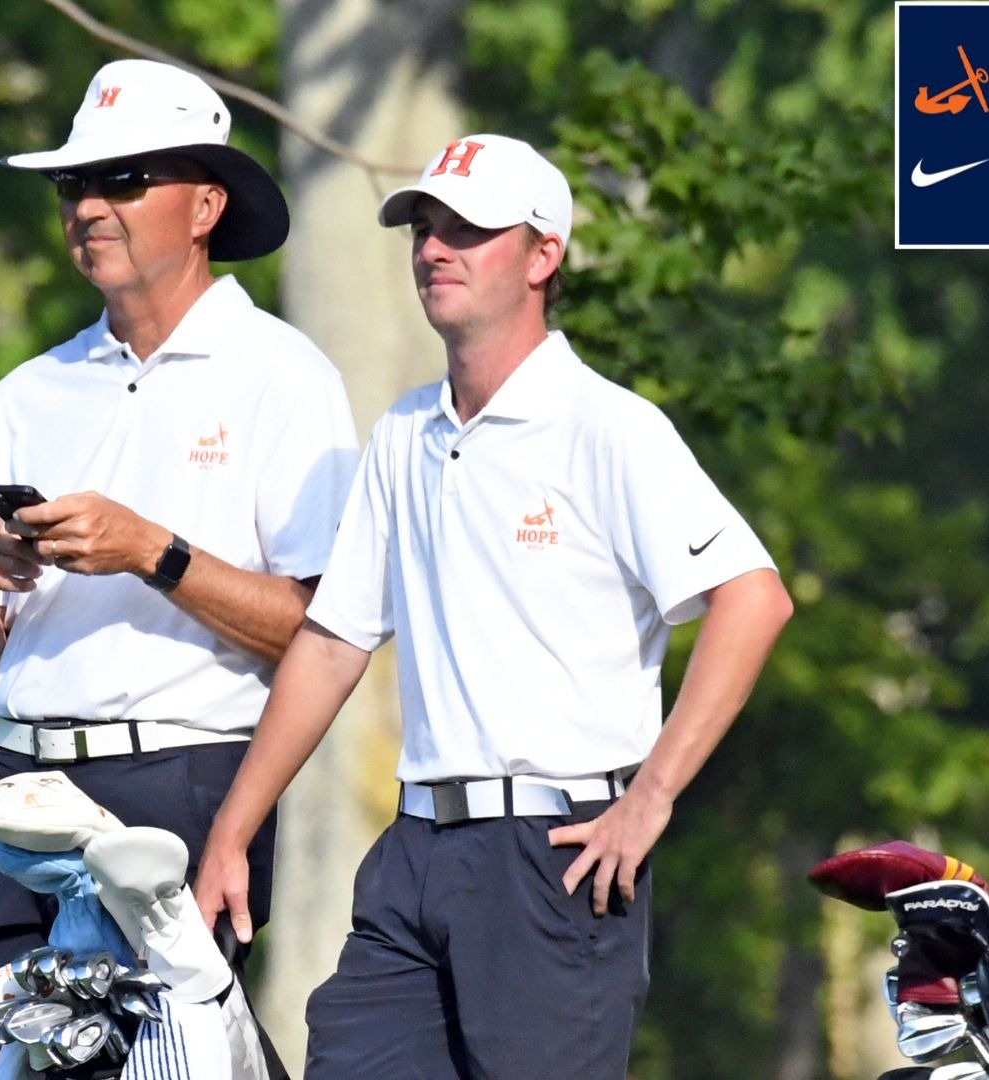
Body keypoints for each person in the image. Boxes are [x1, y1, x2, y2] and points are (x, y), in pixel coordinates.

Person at [194, 133, 794, 1078]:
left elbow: (754, 599)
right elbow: (332, 642)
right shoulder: (402, 431)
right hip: (415, 852)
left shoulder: (608, 426)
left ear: (543, 254)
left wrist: (650, 798)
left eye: (467, 230)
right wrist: (232, 831)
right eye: (424, 229)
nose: (435, 249)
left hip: (556, 857)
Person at [0, 59, 358, 1078]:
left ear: (206, 206)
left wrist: (151, 553)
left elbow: (324, 634)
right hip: (11, 785)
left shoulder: (285, 378)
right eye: (73, 184)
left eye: (123, 180)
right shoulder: (28, 391)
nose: (88, 206)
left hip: (178, 786)